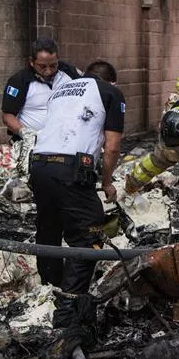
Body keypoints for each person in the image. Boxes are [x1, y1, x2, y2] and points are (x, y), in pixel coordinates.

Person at [28, 63, 125, 293]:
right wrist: (107, 182)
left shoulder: (60, 91)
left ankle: (50, 288)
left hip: (39, 164)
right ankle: (70, 305)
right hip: (70, 168)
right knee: (89, 234)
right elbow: (112, 146)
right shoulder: (110, 92)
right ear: (111, 82)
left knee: (48, 229)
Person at [1, 38, 81, 141]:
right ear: (31, 62)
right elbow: (7, 115)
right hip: (30, 143)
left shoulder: (70, 72)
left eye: (53, 65)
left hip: (65, 140)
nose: (48, 71)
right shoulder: (19, 81)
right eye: (42, 66)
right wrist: (24, 132)